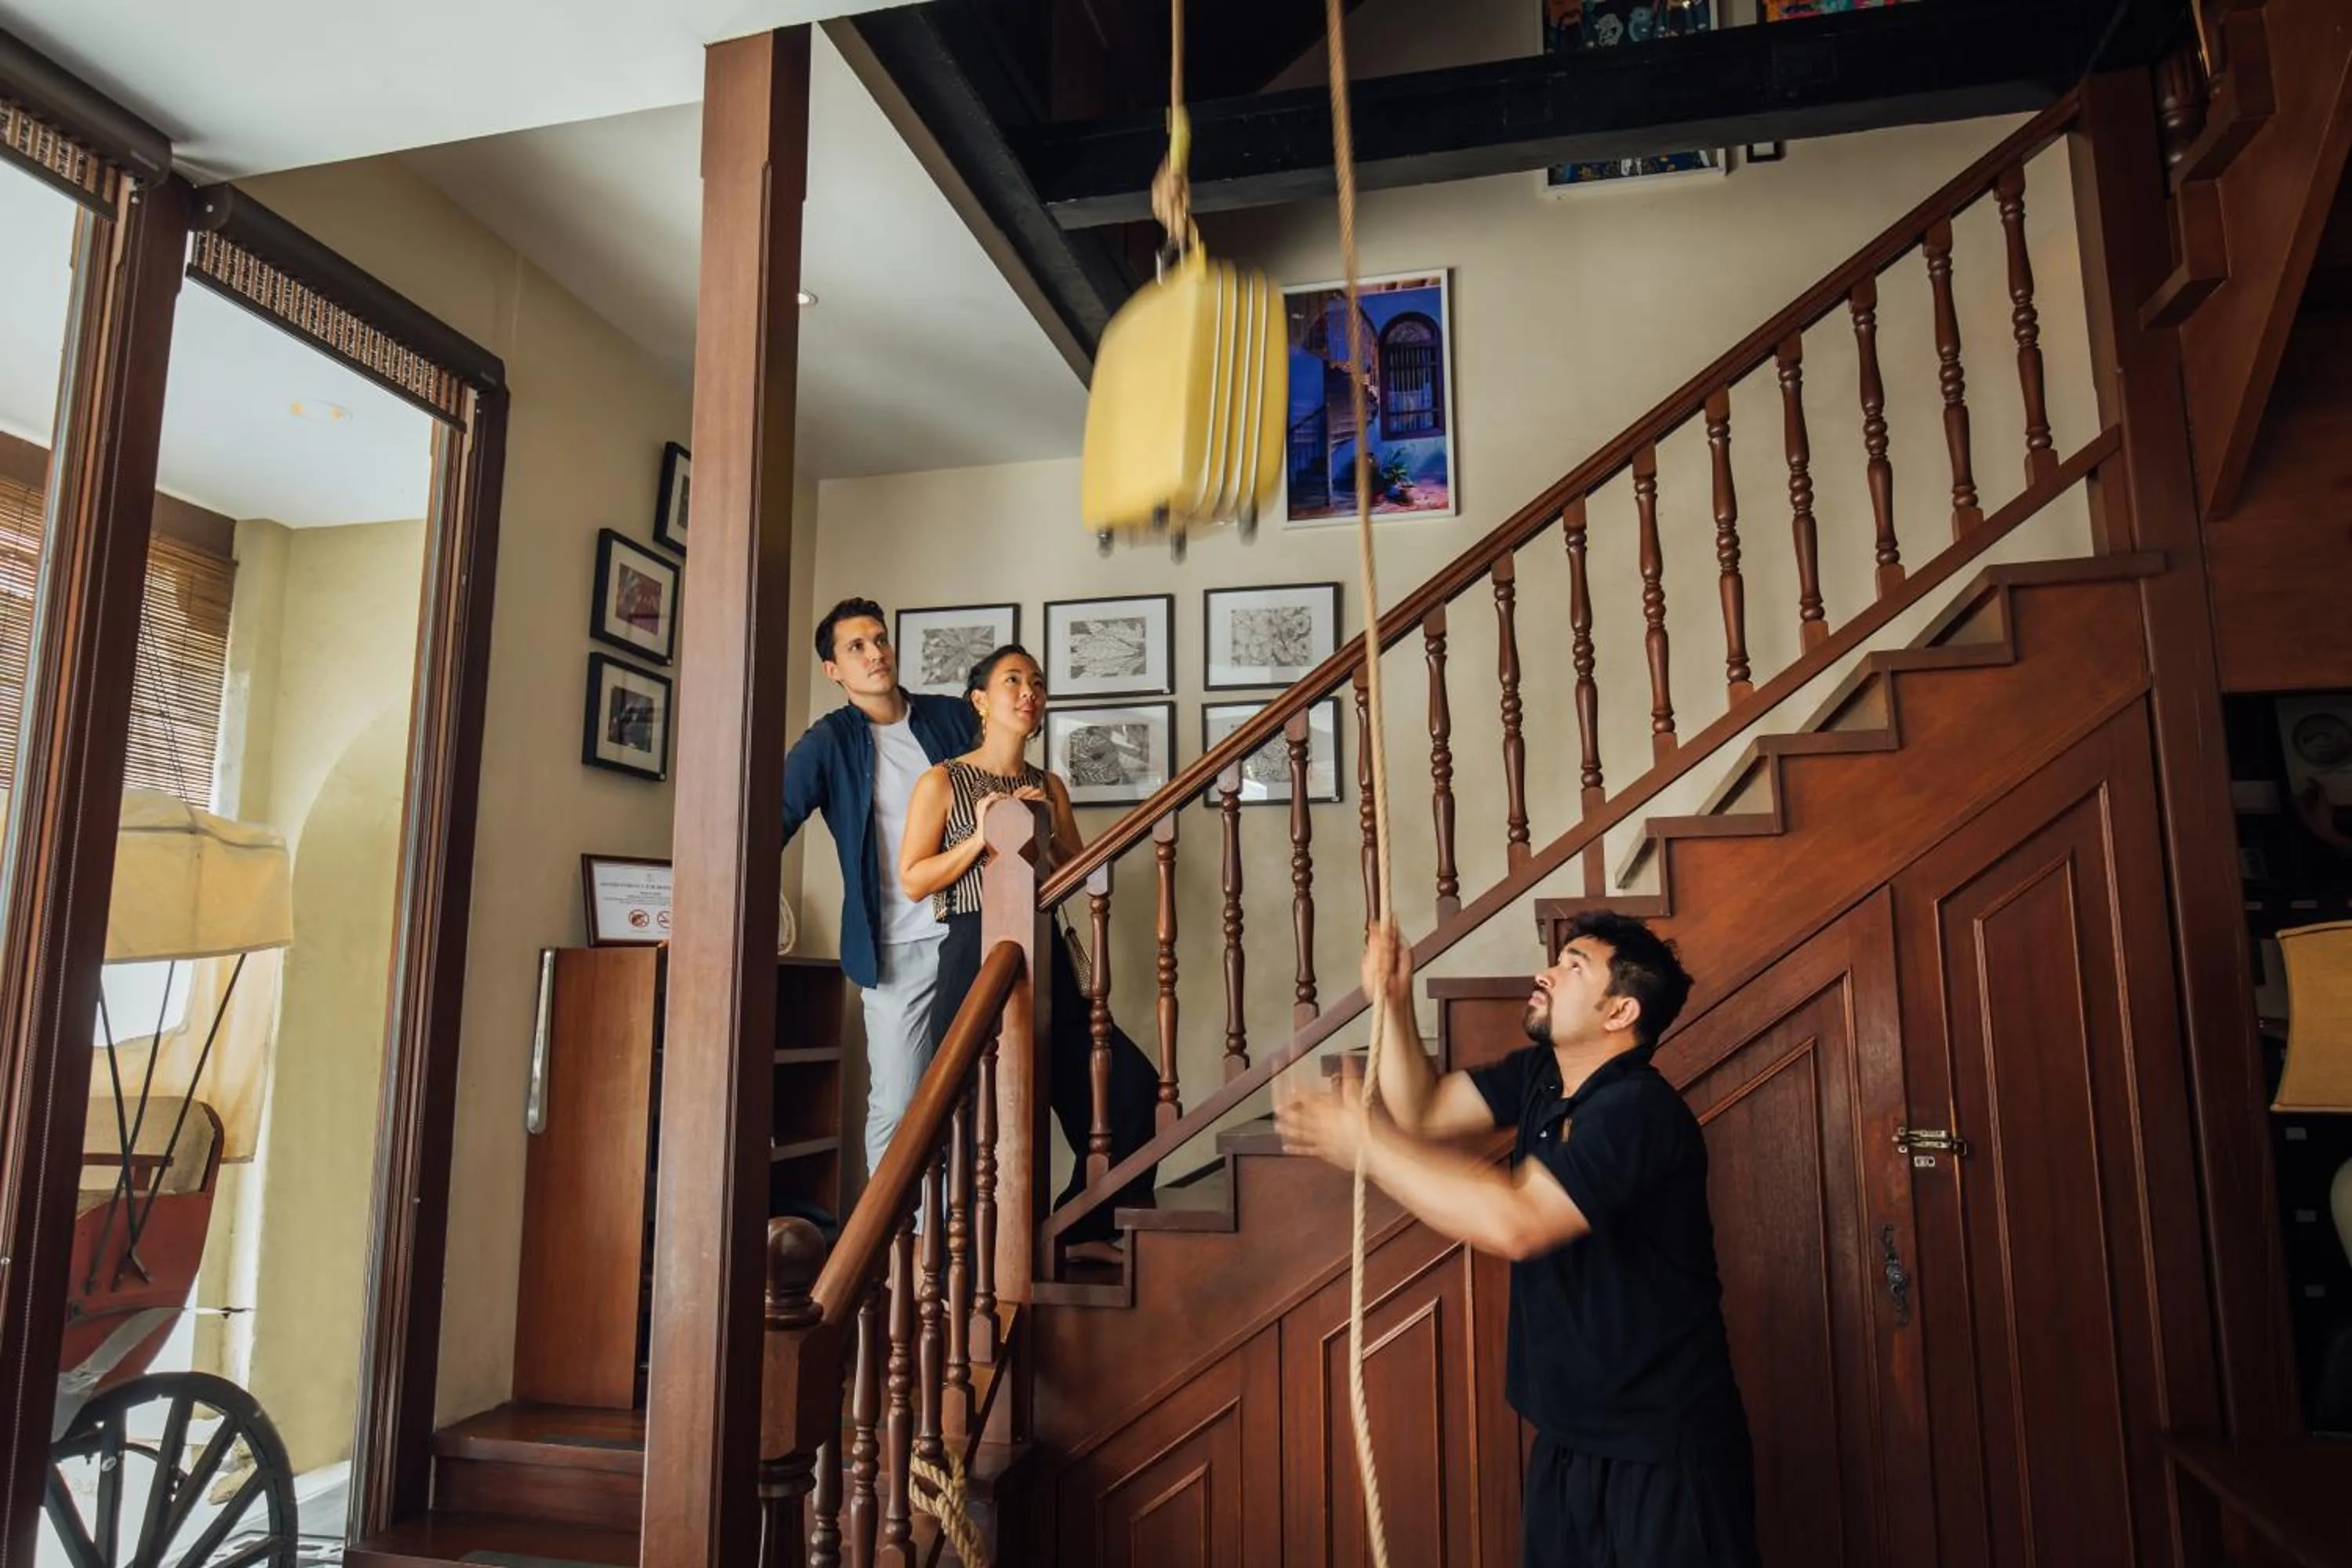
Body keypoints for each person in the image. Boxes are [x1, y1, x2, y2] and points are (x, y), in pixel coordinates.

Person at [1276, 912, 1759, 1568]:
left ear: (1619, 1011)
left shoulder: (1639, 1112)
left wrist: (1368, 1145)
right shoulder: (1544, 1075)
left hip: (1663, 1453)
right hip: (1568, 1440)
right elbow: (1423, 1108)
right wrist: (1390, 1001)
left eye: (1572, 966)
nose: (1546, 973)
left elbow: (1519, 1223)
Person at [898, 644, 1160, 1264]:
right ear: (981, 701)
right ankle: (973, 1255)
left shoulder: (1049, 784)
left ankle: (1080, 1231)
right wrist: (981, 838)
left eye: (1037, 682)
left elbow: (1078, 868)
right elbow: (913, 877)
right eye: (1013, 680)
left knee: (1129, 1087)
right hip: (973, 949)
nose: (1029, 692)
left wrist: (1047, 838)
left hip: (1046, 950)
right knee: (973, 1108)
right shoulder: (943, 779)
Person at [782, 597, 978, 1185]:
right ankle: (896, 1254)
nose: (875, 654)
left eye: (880, 639)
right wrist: (696, 916)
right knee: (897, 1105)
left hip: (972, 933)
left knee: (976, 1095)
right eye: (856, 647)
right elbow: (767, 826)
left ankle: (959, 1250)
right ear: (833, 670)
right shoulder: (828, 744)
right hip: (893, 949)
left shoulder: (953, 719)